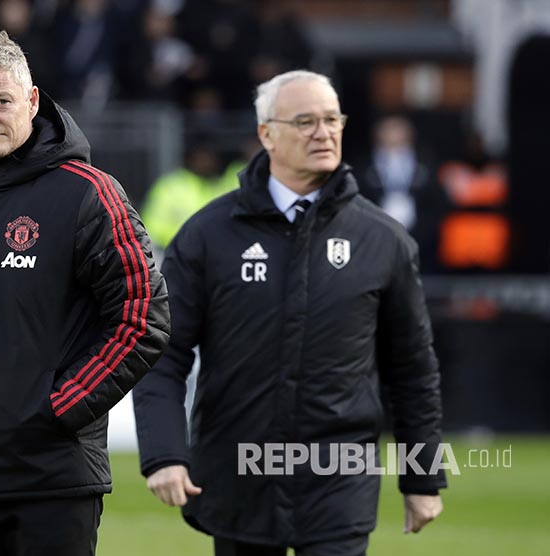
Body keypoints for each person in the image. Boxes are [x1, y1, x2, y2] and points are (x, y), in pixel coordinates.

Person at [133, 70, 446, 556]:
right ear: (266, 135)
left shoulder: (383, 241)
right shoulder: (207, 234)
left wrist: (422, 475)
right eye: (305, 121)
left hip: (339, 484)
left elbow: (413, 369)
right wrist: (165, 453)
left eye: (331, 120)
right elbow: (161, 352)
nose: (323, 133)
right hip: (237, 478)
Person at [0, 31, 169, 556]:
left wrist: (60, 408)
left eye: (1, 101)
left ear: (33, 100)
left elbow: (142, 317)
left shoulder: (89, 193)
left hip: (52, 480)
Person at [357, 115, 450, 274]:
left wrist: (423, 232)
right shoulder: (363, 168)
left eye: (398, 130)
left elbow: (438, 204)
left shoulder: (427, 165)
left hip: (421, 246)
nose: (394, 136)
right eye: (389, 130)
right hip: (375, 245)